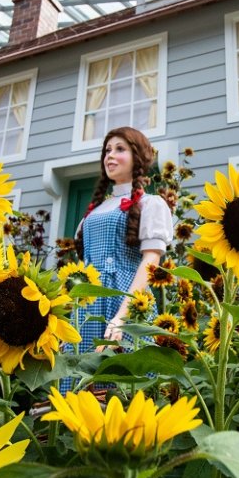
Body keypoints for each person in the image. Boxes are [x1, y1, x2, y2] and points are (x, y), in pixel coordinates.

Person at [72, 126, 173, 351]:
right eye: (107, 150)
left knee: (122, 378)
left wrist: (122, 316)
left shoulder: (150, 204)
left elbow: (151, 261)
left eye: (120, 149)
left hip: (125, 299)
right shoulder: (96, 210)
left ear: (137, 157)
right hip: (87, 307)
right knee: (79, 374)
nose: (110, 155)